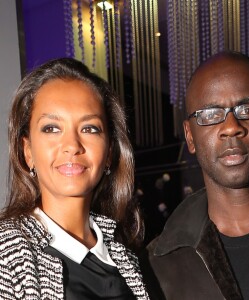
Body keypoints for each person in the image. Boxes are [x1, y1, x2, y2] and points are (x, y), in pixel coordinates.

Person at [140, 51, 249, 299]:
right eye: (210, 115)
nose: (231, 127)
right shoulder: (157, 267)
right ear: (190, 136)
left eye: (247, 109)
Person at [0, 58, 149, 299]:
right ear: (28, 151)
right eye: (51, 128)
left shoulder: (126, 257)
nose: (72, 145)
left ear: (109, 153)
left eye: (90, 128)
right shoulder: (7, 256)